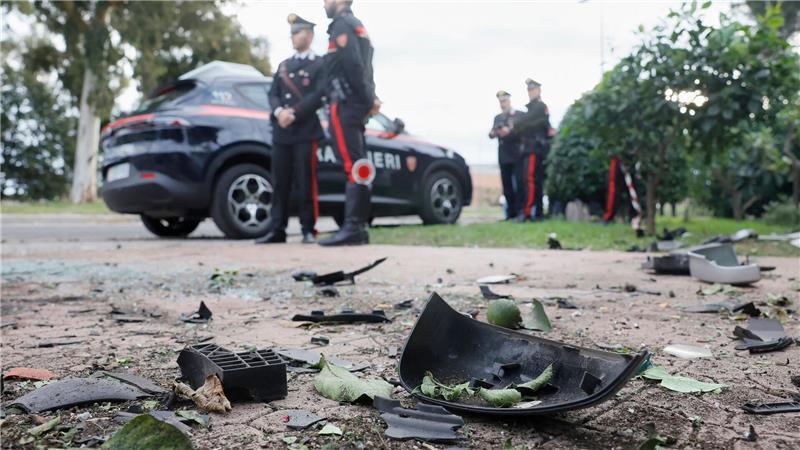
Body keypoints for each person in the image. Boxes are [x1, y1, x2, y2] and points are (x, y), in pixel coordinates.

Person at [256, 14, 325, 244]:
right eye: (292, 33)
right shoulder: (284, 65)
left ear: (310, 35)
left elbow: (319, 95)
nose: (293, 37)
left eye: (298, 32)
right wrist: (279, 113)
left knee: (305, 181)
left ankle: (308, 229)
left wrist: (294, 112)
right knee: (280, 182)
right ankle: (277, 229)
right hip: (282, 132)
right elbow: (273, 94)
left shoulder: (319, 64)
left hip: (305, 130)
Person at [318, 0, 380, 246]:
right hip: (355, 104)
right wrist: (370, 97)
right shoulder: (357, 25)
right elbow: (367, 68)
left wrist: (368, 99)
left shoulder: (342, 25)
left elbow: (354, 65)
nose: (324, 4)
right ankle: (359, 227)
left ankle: (353, 227)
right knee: (359, 165)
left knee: (352, 165)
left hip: (344, 105)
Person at [512, 78, 550, 221]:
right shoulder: (530, 110)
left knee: (530, 180)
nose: (530, 92)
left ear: (539, 90)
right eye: (529, 90)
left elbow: (527, 123)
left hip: (534, 149)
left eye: (533, 89)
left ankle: (528, 212)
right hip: (531, 149)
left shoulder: (540, 107)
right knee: (535, 181)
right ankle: (538, 213)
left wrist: (521, 122)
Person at [488, 90, 520, 220]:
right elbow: (491, 134)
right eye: (500, 102)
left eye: (504, 101)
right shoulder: (497, 118)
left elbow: (519, 133)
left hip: (515, 155)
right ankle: (510, 214)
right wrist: (496, 132)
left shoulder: (516, 115)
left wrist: (508, 132)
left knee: (517, 185)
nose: (502, 104)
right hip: (503, 156)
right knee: (507, 187)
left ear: (509, 100)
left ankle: (519, 212)